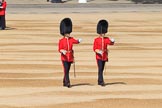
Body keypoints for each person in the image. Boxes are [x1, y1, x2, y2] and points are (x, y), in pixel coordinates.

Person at [58, 18, 82, 88]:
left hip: (70, 57)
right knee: (66, 69)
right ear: (64, 33)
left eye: (69, 33)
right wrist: (62, 51)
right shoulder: (61, 41)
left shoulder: (71, 39)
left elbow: (75, 41)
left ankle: (64, 81)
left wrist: (78, 41)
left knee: (67, 70)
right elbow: (59, 49)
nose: (69, 34)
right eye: (67, 33)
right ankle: (68, 83)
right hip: (64, 57)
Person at [93, 19, 115, 86]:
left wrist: (112, 41)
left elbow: (110, 43)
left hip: (104, 56)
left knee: (102, 69)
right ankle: (101, 81)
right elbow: (94, 48)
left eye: (104, 33)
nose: (103, 34)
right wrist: (98, 51)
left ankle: (99, 81)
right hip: (99, 56)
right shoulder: (96, 40)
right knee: (100, 69)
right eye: (102, 33)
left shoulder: (106, 39)